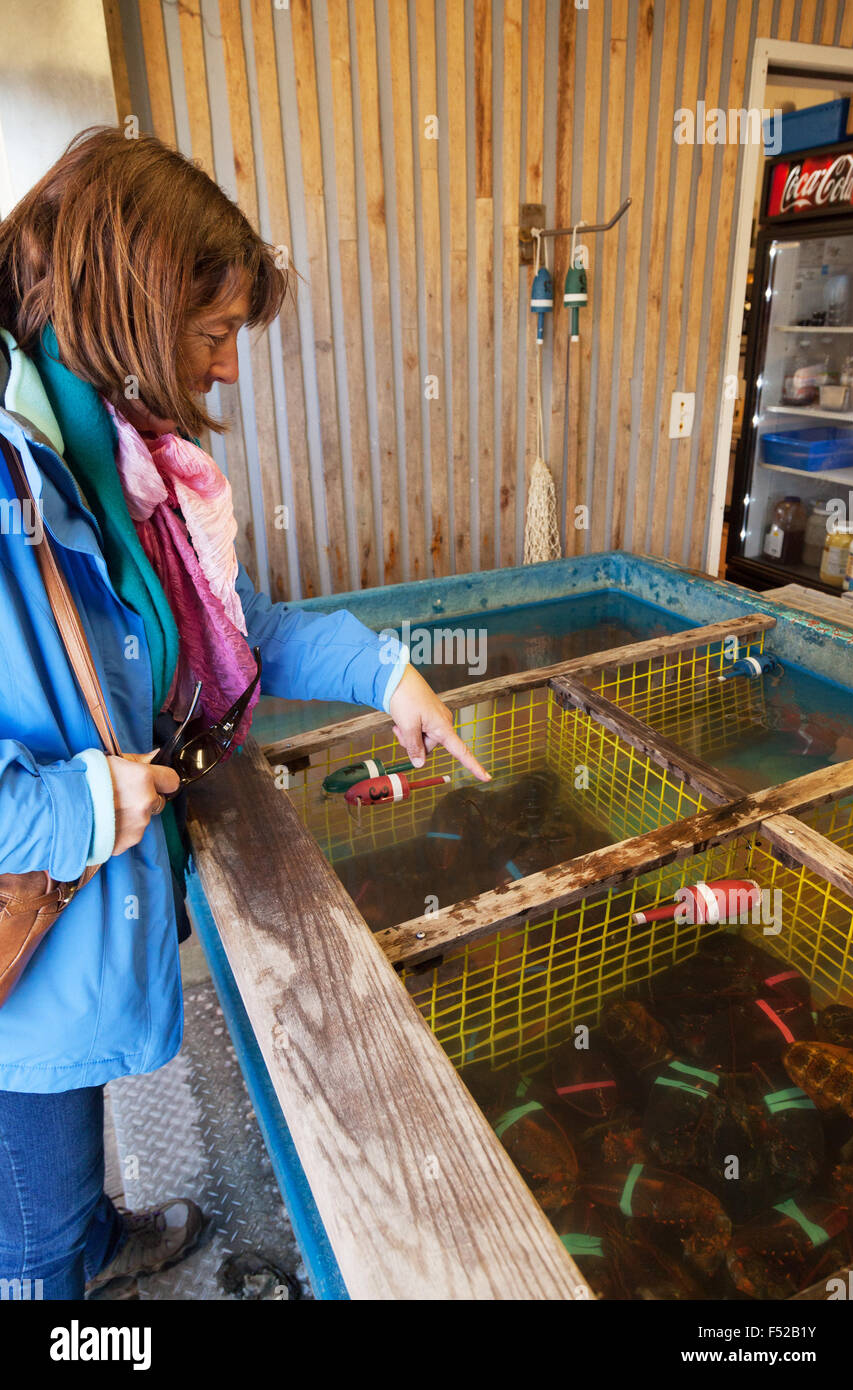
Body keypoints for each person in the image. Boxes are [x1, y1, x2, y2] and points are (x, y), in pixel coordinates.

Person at [0, 126, 489, 1300]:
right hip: (26, 942)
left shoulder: (110, 454)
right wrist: (80, 803)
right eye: (213, 334)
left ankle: (89, 1231)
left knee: (62, 1135)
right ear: (131, 302)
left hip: (77, 936)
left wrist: (387, 674)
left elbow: (232, 625)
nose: (225, 370)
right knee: (24, 1232)